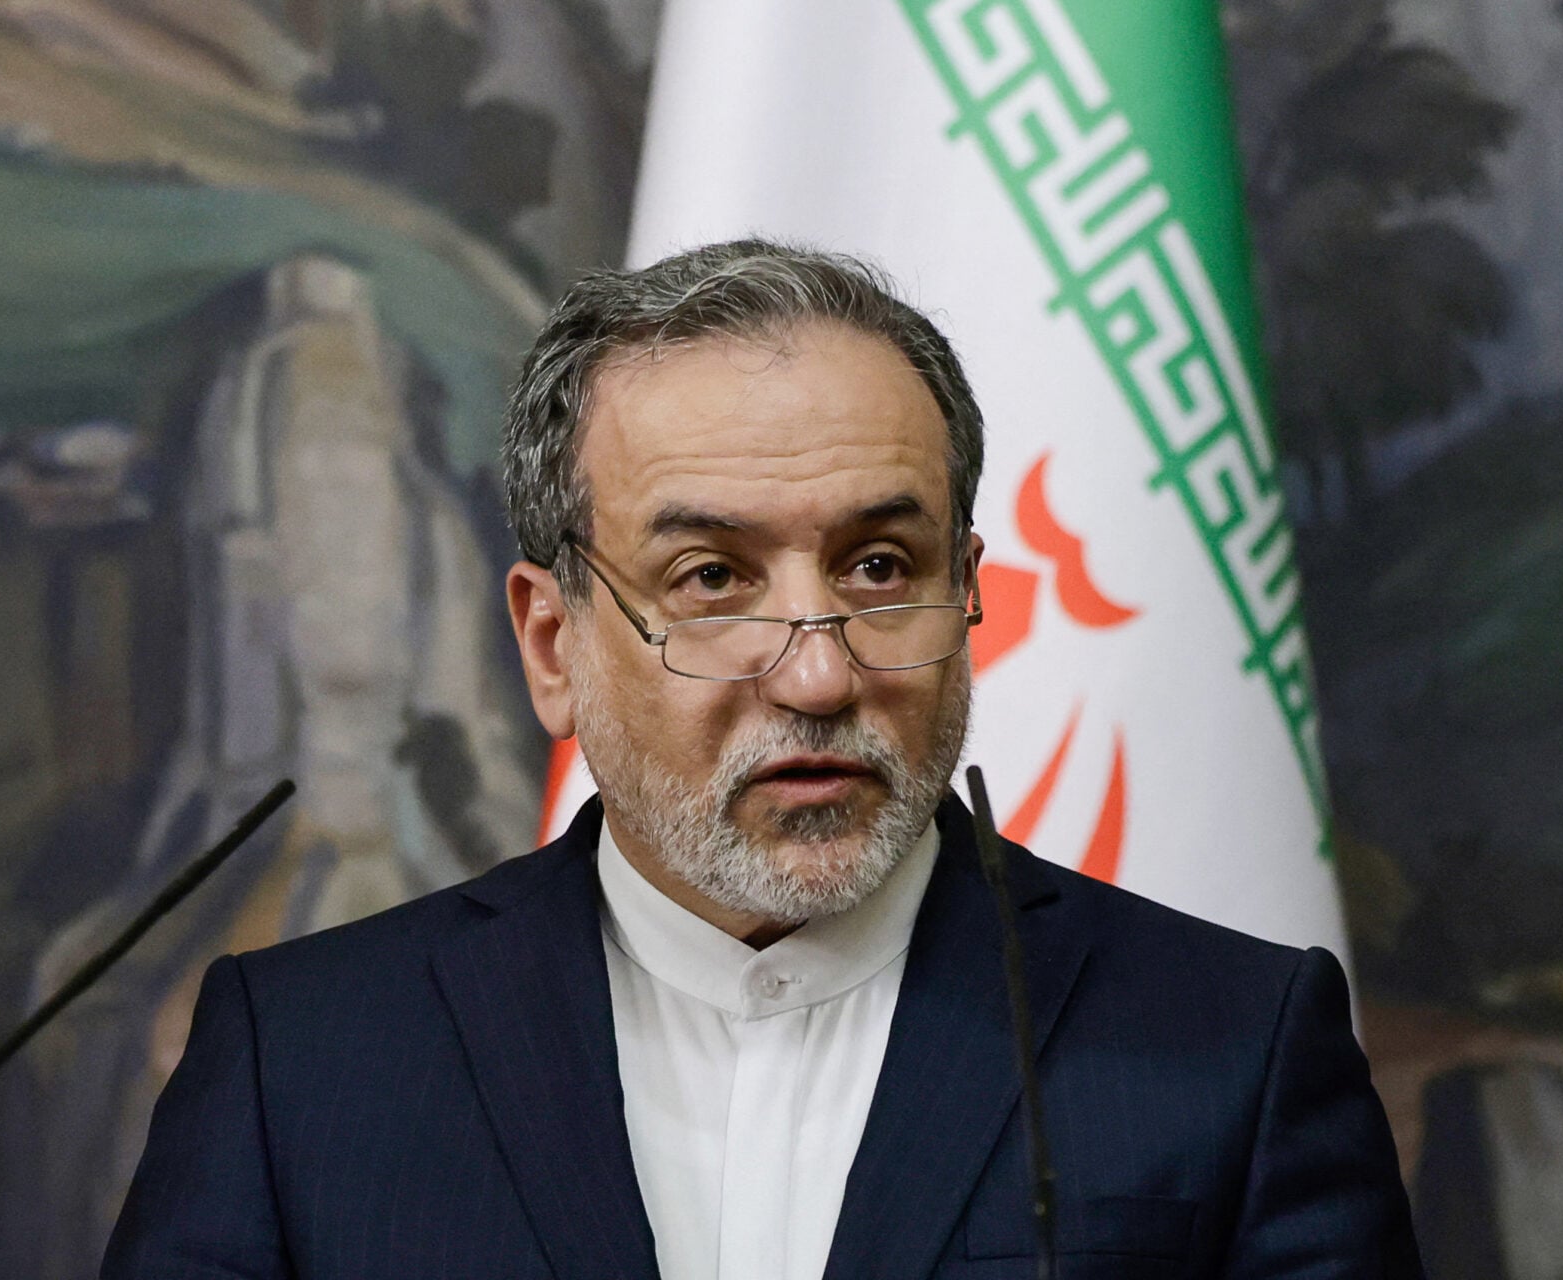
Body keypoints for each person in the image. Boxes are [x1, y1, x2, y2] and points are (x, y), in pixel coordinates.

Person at [103, 240, 1424, 1279]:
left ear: (970, 594)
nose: (817, 674)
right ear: (553, 645)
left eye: (880, 566)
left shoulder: (1232, 1047)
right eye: (712, 578)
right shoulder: (302, 1063)